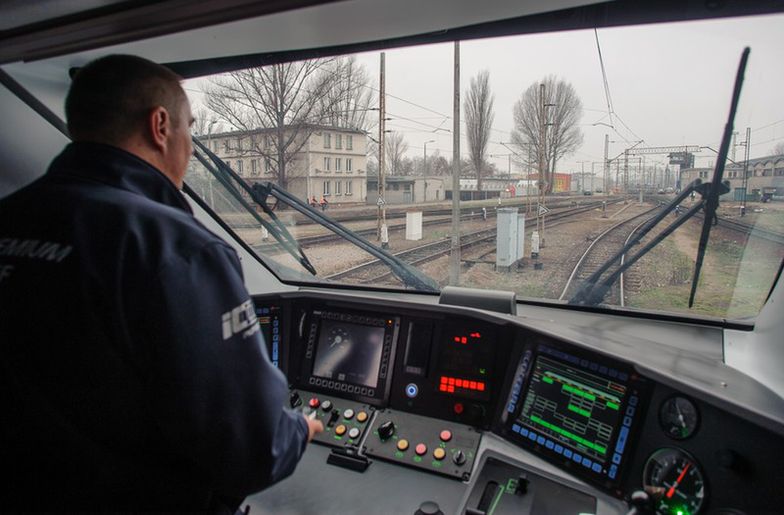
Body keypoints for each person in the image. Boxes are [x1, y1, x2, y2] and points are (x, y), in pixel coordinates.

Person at [0, 55, 322, 512]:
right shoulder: (176, 248)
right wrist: (298, 430)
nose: (190, 146)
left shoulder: (10, 214)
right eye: (190, 128)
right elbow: (253, 451)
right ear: (160, 126)